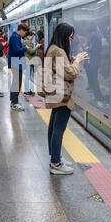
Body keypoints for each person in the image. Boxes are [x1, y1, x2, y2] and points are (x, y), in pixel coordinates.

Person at [45, 23, 88, 175]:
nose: (70, 40)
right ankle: (55, 163)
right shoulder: (58, 50)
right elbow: (70, 73)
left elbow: (60, 69)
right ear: (64, 36)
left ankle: (55, 157)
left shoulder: (52, 48)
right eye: (69, 38)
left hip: (55, 93)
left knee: (53, 126)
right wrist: (77, 61)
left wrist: (69, 61)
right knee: (58, 129)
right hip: (62, 94)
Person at [8, 23, 30, 111]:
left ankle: (14, 101)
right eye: (24, 32)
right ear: (20, 30)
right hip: (16, 62)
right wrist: (25, 48)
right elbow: (17, 50)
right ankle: (14, 103)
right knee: (17, 83)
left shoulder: (16, 37)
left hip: (16, 62)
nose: (24, 34)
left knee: (16, 82)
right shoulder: (15, 37)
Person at [23, 30, 41, 96]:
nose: (32, 38)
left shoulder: (27, 41)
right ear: (28, 36)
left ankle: (27, 89)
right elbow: (31, 51)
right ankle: (26, 91)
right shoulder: (26, 42)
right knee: (27, 76)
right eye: (32, 37)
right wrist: (37, 46)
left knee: (29, 76)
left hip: (30, 61)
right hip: (29, 61)